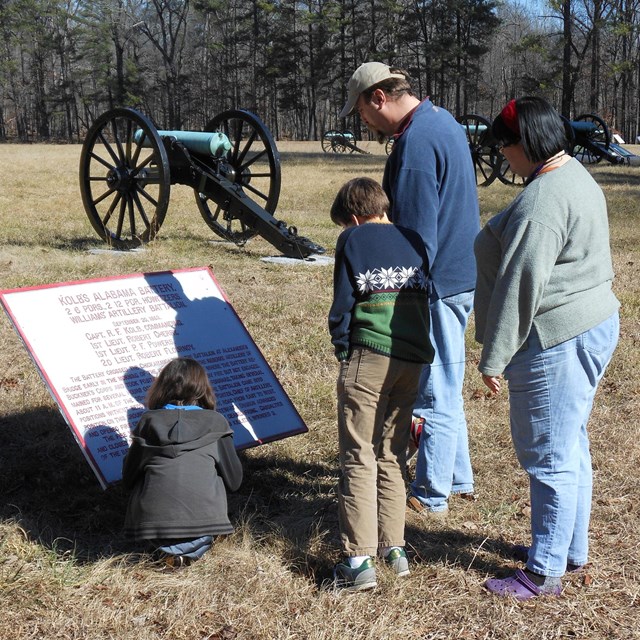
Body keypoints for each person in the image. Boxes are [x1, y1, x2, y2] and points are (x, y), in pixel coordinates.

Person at [474, 96, 620, 600]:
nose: (503, 157)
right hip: (592, 322)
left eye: (506, 146)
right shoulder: (572, 174)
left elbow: (521, 284)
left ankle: (542, 573)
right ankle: (569, 552)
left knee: (549, 455)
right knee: (570, 443)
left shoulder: (542, 202)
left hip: (556, 337)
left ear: (528, 143)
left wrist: (493, 356)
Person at [339, 62, 480, 516]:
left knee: (433, 388)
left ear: (379, 98)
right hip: (459, 273)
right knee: (448, 380)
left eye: (362, 110)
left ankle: (432, 492)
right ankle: (456, 477)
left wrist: (401, 293)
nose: (364, 121)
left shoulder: (417, 143)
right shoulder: (443, 121)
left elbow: (417, 236)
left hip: (434, 282)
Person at [328, 177, 434, 591]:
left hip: (370, 354)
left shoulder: (353, 239)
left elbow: (343, 302)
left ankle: (357, 562)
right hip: (413, 359)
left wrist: (342, 346)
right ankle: (395, 549)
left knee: (358, 456)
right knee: (392, 454)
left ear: (354, 217)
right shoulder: (415, 240)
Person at [122, 357, 243, 568]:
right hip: (206, 523)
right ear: (202, 388)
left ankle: (169, 552)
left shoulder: (147, 422)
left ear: (162, 387)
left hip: (151, 527)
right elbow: (234, 481)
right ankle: (186, 551)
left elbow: (129, 478)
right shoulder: (217, 422)